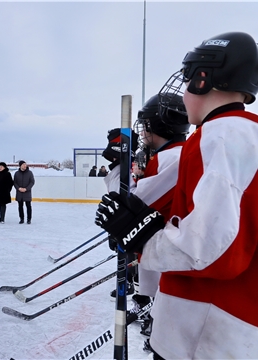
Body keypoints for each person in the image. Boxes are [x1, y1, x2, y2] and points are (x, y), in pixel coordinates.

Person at [95, 32, 258, 359]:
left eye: (186, 83)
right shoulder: (234, 132)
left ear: (203, 80)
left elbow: (210, 244)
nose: (183, 96)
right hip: (213, 321)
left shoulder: (223, 134)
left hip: (206, 324)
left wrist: (144, 238)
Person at [101, 93, 190, 350]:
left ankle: (156, 327)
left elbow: (137, 200)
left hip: (167, 244)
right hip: (172, 241)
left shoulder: (170, 157)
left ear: (156, 126)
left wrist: (123, 219)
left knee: (169, 311)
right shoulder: (178, 153)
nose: (143, 132)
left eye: (146, 126)